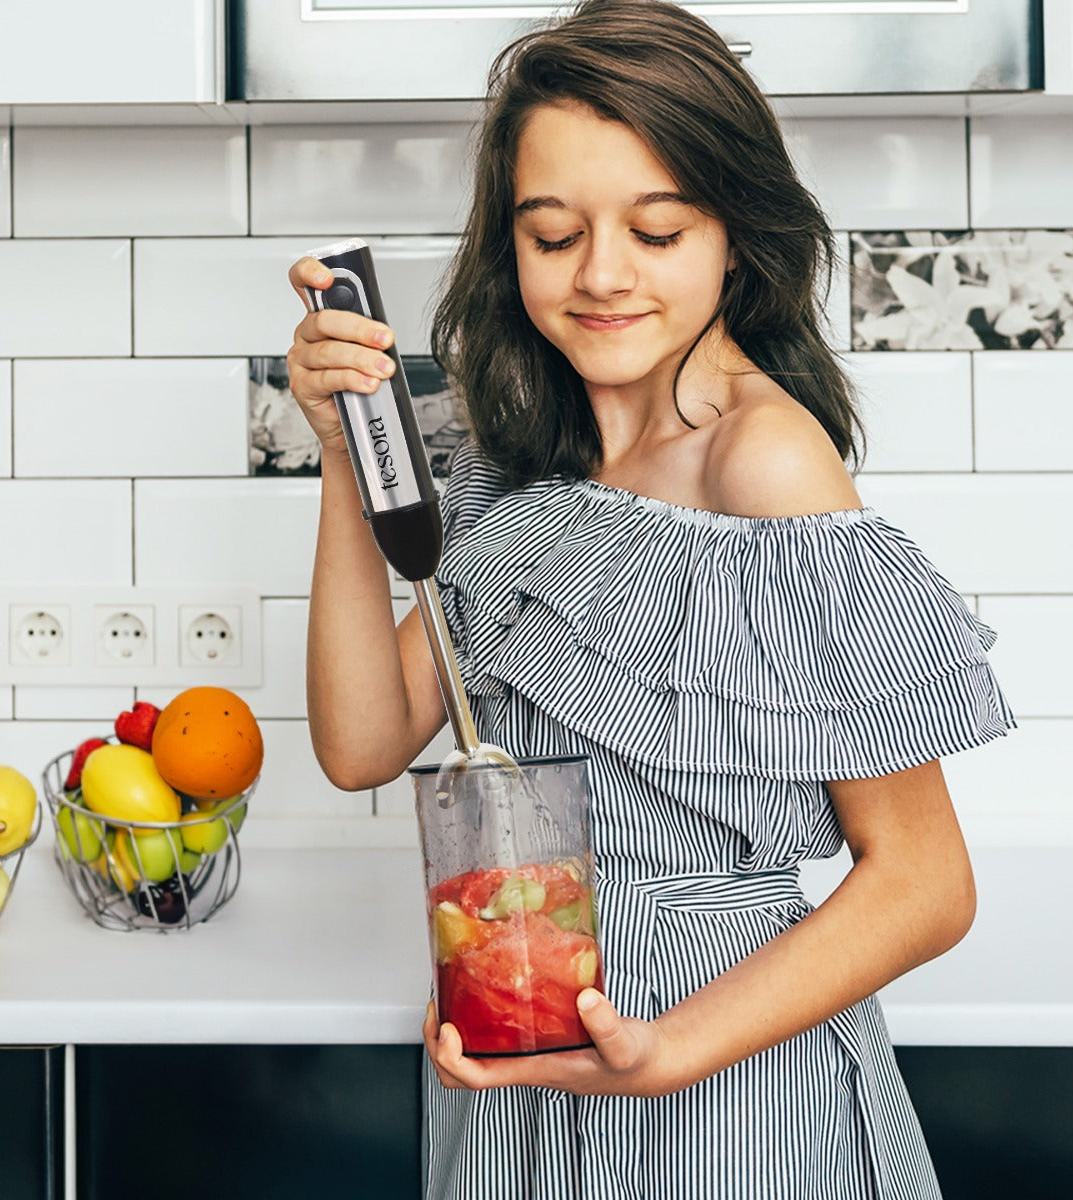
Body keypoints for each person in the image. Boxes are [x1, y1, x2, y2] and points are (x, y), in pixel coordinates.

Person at [285, 1, 1015, 1196]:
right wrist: (337, 452)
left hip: (726, 1089)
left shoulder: (763, 466)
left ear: (736, 232)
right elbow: (365, 743)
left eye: (658, 229)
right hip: (519, 1058)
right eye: (554, 234)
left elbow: (926, 885)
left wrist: (664, 1054)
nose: (602, 275)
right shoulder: (517, 459)